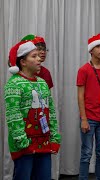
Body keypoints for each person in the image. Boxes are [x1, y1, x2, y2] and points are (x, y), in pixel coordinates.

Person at [4, 39, 61, 180]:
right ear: (23, 62)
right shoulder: (14, 83)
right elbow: (13, 115)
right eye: (34, 56)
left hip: (44, 142)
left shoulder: (42, 83)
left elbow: (51, 111)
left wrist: (54, 136)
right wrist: (21, 140)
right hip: (24, 145)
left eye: (39, 55)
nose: (39, 58)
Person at [77, 33, 100, 180]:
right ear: (91, 50)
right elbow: (80, 95)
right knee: (86, 153)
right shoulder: (84, 70)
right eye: (98, 46)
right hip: (89, 117)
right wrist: (84, 119)